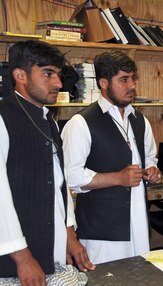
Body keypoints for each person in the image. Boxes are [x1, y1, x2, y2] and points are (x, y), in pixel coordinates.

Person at [0, 40, 95, 285]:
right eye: (47, 74)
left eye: (58, 75)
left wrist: (69, 234)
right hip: (11, 262)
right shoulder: (3, 118)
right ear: (20, 75)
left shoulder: (48, 121)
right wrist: (22, 258)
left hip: (48, 251)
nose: (58, 83)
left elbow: (57, 183)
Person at [61, 50, 161, 264]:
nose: (132, 85)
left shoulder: (141, 120)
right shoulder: (80, 123)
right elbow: (70, 176)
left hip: (139, 224)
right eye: (124, 80)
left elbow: (150, 158)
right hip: (101, 233)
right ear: (104, 83)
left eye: (133, 78)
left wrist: (152, 171)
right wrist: (117, 178)